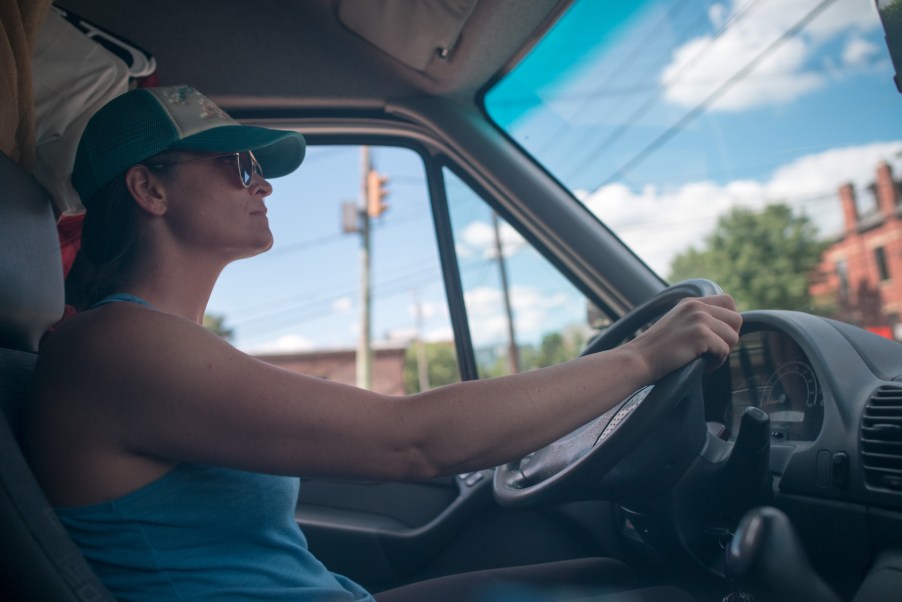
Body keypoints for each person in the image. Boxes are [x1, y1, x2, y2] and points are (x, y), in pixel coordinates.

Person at [24, 85, 742, 602]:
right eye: (240, 167)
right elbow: (410, 442)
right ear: (149, 188)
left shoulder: (149, 345)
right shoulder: (113, 347)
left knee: (610, 582)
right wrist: (644, 358)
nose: (264, 187)